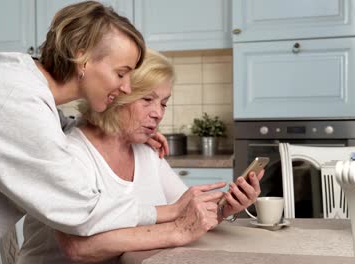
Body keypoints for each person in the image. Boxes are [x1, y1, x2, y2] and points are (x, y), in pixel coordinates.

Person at [0, 2, 170, 262]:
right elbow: (81, 213)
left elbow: (52, 129)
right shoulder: (15, 99)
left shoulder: (19, 79)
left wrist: (119, 132)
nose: (127, 88)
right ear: (81, 58)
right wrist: (173, 215)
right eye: (121, 73)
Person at [17, 50, 264, 264]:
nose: (158, 114)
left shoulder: (146, 150)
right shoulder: (70, 153)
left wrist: (224, 209)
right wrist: (178, 230)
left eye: (164, 103)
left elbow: (186, 214)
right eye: (147, 99)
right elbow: (81, 248)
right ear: (115, 96)